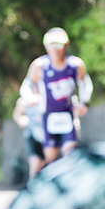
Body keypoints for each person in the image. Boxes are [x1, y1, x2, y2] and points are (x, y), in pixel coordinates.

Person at [20, 28, 93, 163]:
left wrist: (84, 102)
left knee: (70, 154)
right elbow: (26, 86)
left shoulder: (75, 65)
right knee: (51, 157)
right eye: (51, 44)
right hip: (47, 116)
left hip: (68, 115)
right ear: (46, 46)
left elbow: (85, 84)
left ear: (66, 45)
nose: (55, 49)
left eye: (58, 44)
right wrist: (30, 97)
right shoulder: (40, 66)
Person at [12, 94, 46, 179]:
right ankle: (33, 183)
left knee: (44, 162)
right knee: (34, 161)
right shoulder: (24, 100)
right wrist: (21, 119)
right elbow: (17, 114)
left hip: (46, 135)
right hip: (31, 134)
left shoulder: (45, 94)